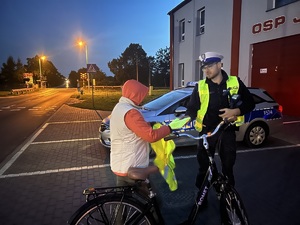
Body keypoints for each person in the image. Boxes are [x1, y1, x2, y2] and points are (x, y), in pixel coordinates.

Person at [185, 52, 255, 205]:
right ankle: (202, 197)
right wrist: (184, 119)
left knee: (228, 165)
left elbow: (250, 103)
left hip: (227, 130)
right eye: (204, 67)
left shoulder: (235, 82)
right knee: (204, 166)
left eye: (209, 66)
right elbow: (191, 108)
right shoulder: (200, 86)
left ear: (219, 65)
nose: (206, 70)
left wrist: (235, 112)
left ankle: (228, 195)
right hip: (206, 131)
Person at [110, 79, 190, 186]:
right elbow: (151, 136)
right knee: (141, 199)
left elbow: (131, 128)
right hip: (132, 165)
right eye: (141, 95)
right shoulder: (131, 113)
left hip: (121, 163)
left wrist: (150, 124)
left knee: (123, 197)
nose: (143, 99)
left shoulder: (120, 107)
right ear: (135, 94)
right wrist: (169, 128)